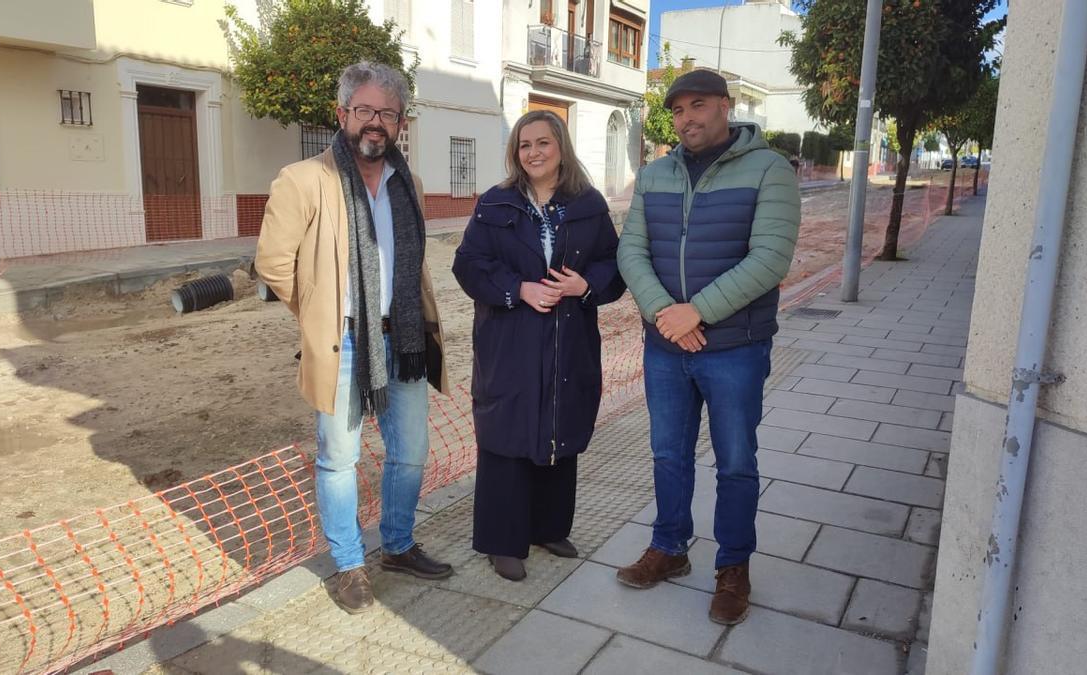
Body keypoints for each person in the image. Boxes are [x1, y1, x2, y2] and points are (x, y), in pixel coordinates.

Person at [255, 61, 453, 615]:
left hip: (405, 340)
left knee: (411, 453)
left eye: (387, 113)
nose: (376, 123)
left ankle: (397, 544)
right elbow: (273, 264)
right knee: (339, 460)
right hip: (344, 345)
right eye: (364, 110)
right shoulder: (304, 180)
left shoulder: (407, 182)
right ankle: (349, 565)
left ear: (401, 123)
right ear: (341, 115)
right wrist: (322, 311)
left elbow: (412, 267)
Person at [615, 69, 800, 624]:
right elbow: (632, 252)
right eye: (677, 111)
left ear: (725, 106)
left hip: (735, 349)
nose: (686, 119)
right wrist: (664, 316)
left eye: (698, 106)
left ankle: (733, 567)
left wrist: (696, 311)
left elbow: (770, 258)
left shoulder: (770, 169)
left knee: (737, 462)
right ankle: (670, 548)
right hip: (666, 349)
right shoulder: (655, 174)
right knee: (668, 454)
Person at [452, 110, 626, 582]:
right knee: (507, 433)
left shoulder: (588, 205)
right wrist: (518, 290)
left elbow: (615, 264)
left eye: (543, 143)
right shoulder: (496, 203)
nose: (533, 152)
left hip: (569, 339)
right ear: (515, 152)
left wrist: (583, 285)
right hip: (509, 342)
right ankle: (501, 541)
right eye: (524, 145)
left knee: (559, 425)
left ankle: (548, 527)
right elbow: (468, 265)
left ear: (560, 147)